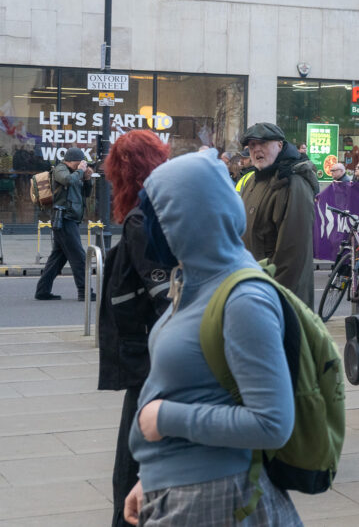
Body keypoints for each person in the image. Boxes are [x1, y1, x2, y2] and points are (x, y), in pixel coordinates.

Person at [123, 148, 300, 526]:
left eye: (153, 214)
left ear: (185, 220)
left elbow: (272, 423)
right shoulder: (194, 280)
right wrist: (150, 478)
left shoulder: (243, 299)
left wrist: (166, 417)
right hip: (180, 488)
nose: (145, 225)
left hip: (213, 498)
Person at [98, 131, 174, 527]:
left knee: (134, 463)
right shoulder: (157, 211)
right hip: (153, 357)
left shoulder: (141, 220)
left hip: (149, 360)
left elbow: (165, 298)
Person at [239, 122, 318, 308]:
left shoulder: (292, 184)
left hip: (278, 297)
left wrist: (273, 296)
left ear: (280, 145)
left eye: (263, 144)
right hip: (254, 287)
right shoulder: (252, 180)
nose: (257, 150)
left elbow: (292, 254)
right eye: (252, 146)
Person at [35, 147, 93, 302]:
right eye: (80, 162)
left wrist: (87, 179)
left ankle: (42, 291)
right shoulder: (60, 169)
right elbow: (67, 180)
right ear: (72, 160)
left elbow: (86, 194)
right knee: (79, 257)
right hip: (64, 219)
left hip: (71, 219)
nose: (83, 165)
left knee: (57, 260)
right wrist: (80, 172)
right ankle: (84, 291)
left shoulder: (76, 173)